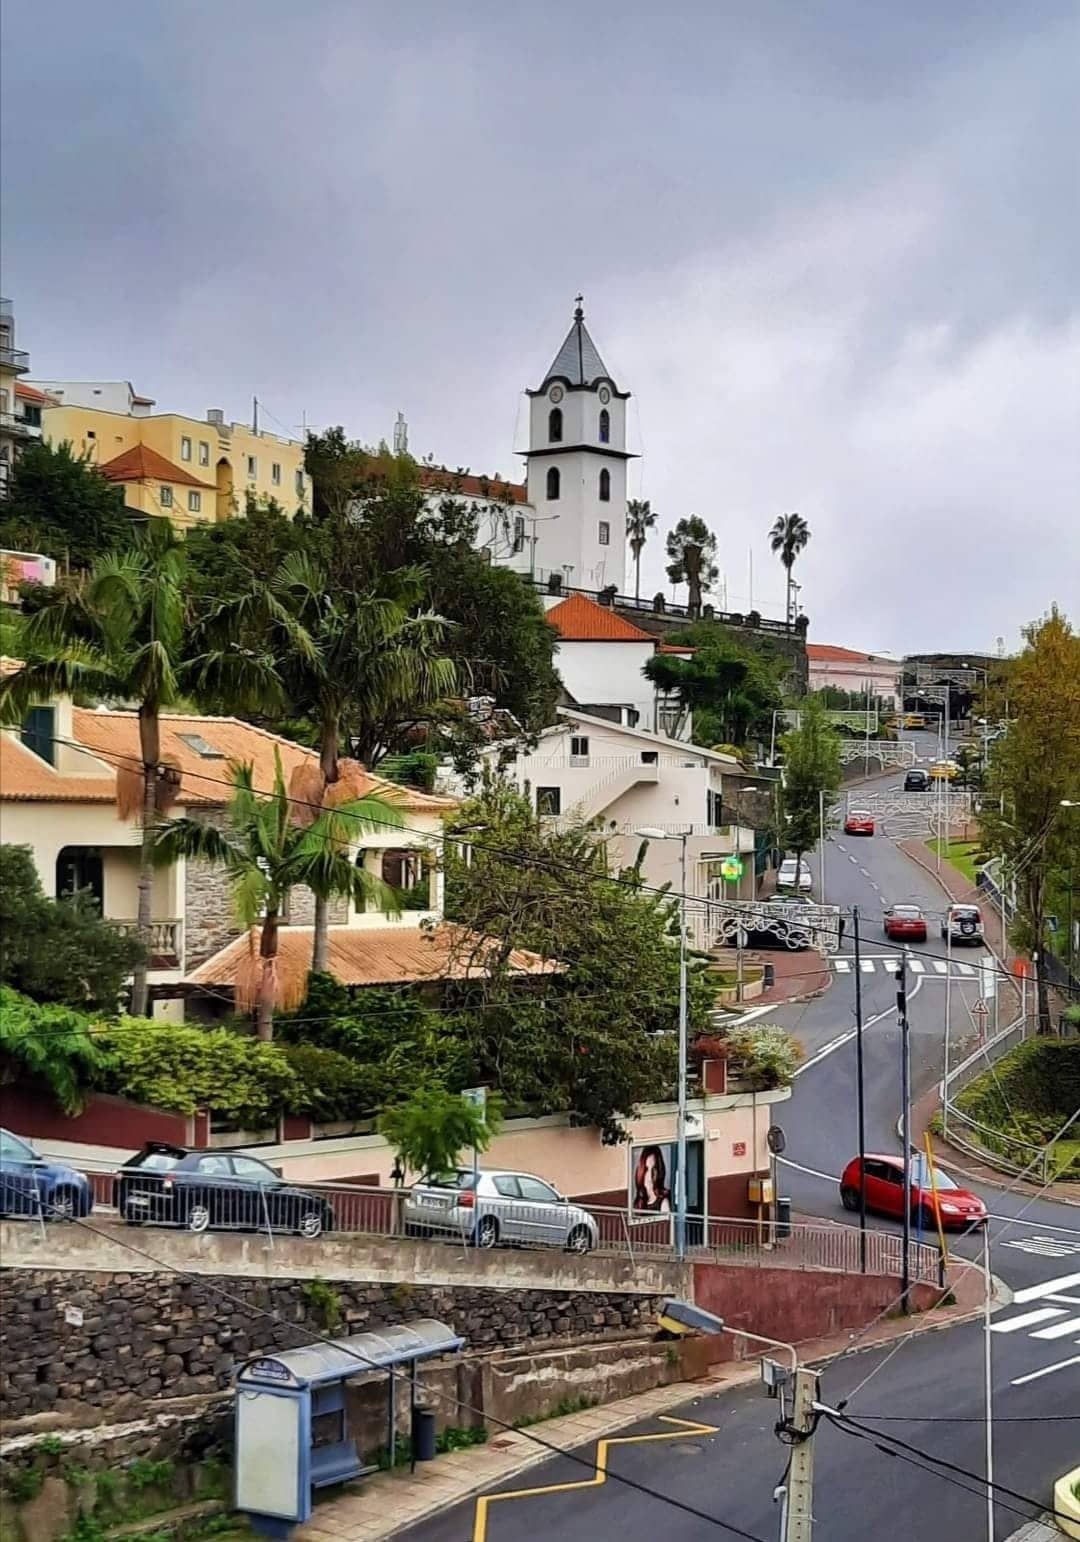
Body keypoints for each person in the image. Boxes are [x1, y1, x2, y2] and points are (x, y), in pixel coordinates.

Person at [633, 1145, 672, 1213]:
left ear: (659, 1170)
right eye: (647, 1169)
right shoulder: (638, 1202)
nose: (650, 1175)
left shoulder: (664, 1202)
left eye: (654, 1169)